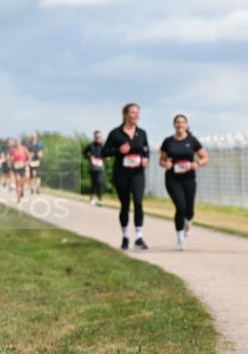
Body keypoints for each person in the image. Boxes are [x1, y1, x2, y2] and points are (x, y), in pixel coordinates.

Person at [102, 103, 150, 250]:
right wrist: (118, 150)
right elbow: (104, 152)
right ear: (125, 115)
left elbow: (146, 150)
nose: (136, 115)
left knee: (138, 202)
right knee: (125, 205)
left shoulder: (141, 133)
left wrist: (145, 159)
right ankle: (125, 237)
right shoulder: (115, 133)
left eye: (138, 113)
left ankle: (139, 237)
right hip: (121, 174)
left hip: (137, 174)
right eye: (133, 113)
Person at [160, 114, 209, 250]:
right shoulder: (168, 141)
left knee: (190, 210)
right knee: (180, 207)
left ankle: (188, 222)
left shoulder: (192, 140)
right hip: (172, 178)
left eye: (182, 122)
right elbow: (161, 160)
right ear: (174, 125)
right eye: (177, 122)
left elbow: (205, 157)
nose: (180, 124)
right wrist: (166, 164)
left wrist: (197, 164)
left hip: (189, 178)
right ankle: (180, 238)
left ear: (186, 125)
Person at [84, 131, 106, 206]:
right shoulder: (90, 145)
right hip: (93, 167)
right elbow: (85, 153)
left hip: (100, 167)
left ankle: (100, 199)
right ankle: (92, 198)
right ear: (94, 137)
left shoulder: (103, 146)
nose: (98, 138)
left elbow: (106, 155)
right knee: (93, 183)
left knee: (99, 182)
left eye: (99, 137)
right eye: (96, 137)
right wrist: (89, 156)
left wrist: (106, 157)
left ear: (101, 137)